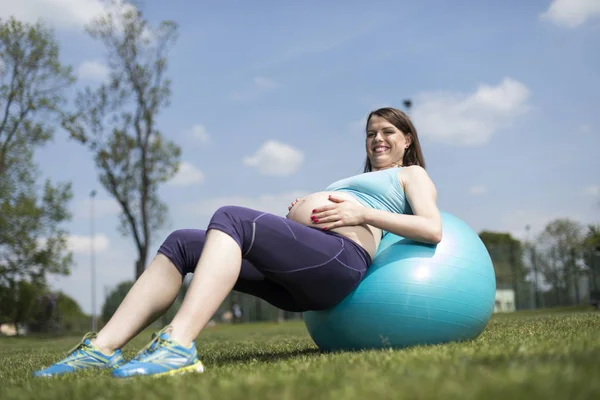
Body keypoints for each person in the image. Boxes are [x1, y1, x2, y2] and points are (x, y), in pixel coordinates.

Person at [33, 107, 442, 378]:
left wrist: (363, 214)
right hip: (304, 273)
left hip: (341, 265)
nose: (377, 139)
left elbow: (431, 227)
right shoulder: (357, 177)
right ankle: (101, 348)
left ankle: (177, 345)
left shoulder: (412, 175)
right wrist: (303, 213)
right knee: (182, 242)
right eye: (371, 133)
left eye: (388, 131)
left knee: (230, 216)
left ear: (407, 139)